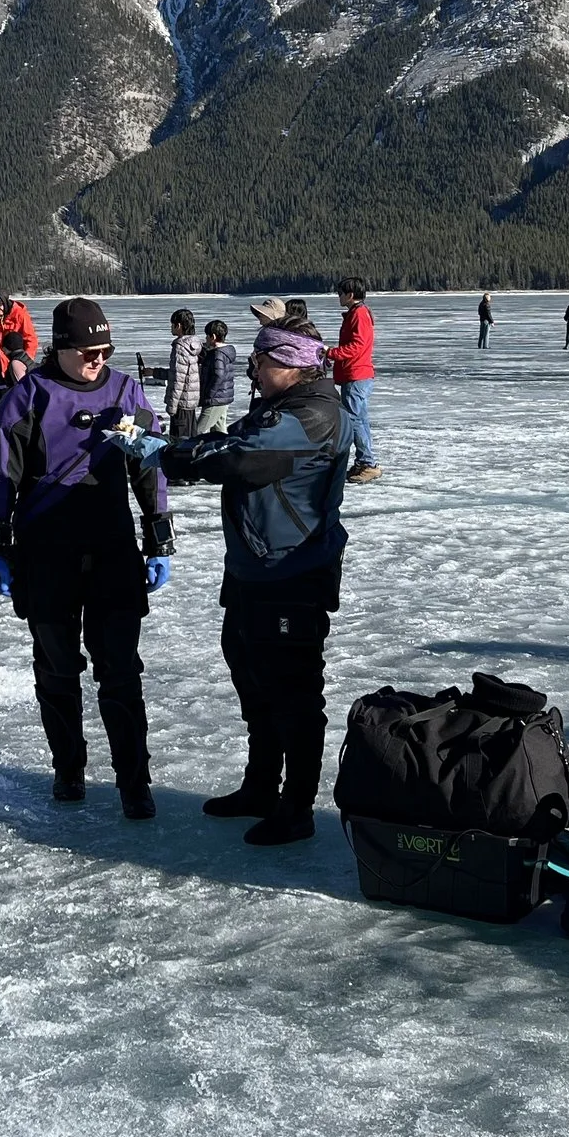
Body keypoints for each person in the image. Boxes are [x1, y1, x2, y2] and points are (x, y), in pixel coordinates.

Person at [0, 298, 173, 819]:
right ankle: (68, 770)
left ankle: (135, 782)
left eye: (106, 350)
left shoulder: (125, 392)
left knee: (121, 672)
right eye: (89, 351)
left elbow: (150, 465)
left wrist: (159, 538)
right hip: (47, 554)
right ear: (62, 348)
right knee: (57, 671)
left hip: (112, 551)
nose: (98, 359)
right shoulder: (29, 397)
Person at [162, 322, 355, 845]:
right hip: (253, 567)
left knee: (293, 692)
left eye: (262, 360)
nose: (254, 369)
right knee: (253, 681)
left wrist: (172, 455)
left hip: (290, 571)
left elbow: (241, 458)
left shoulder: (313, 414)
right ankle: (261, 787)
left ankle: (297, 807)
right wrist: (180, 444)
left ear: (291, 364)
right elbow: (230, 440)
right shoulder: (279, 406)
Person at [329, 277, 379, 483]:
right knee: (360, 419)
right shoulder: (357, 313)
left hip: (356, 375)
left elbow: (357, 346)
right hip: (356, 374)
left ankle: (367, 462)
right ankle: (365, 462)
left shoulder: (359, 314)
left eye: (340, 293)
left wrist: (331, 353)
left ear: (350, 295)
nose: (339, 297)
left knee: (355, 420)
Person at [0, 290, 37, 379]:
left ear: (5, 303)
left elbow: (31, 340)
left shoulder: (20, 314)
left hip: (15, 366)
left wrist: (26, 363)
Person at [163, 308, 202, 439]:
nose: (171, 328)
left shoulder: (180, 347)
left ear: (178, 325)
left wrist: (172, 407)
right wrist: (155, 372)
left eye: (172, 324)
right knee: (190, 439)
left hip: (181, 404)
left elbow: (178, 380)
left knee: (179, 442)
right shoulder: (192, 345)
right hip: (190, 403)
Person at [196, 319, 239, 432]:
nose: (206, 338)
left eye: (207, 336)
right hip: (222, 397)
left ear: (213, 337)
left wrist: (209, 394)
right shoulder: (222, 352)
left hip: (216, 399)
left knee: (198, 431)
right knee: (219, 431)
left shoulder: (218, 354)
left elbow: (219, 375)